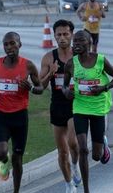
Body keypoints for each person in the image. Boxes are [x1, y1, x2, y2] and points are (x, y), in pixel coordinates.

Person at [62, 30, 113, 193]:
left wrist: (103, 87)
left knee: (96, 155)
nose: (76, 44)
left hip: (98, 108)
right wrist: (66, 91)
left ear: (89, 43)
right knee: (83, 149)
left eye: (81, 41)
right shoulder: (70, 64)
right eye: (75, 41)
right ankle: (87, 189)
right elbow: (65, 85)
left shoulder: (100, 60)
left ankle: (103, 144)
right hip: (80, 107)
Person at [0, 32, 44, 193]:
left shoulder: (28, 65)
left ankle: (16, 191)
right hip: (2, 116)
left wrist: (31, 88)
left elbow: (40, 89)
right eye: (6, 44)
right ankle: (4, 162)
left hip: (20, 118)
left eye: (12, 43)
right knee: (1, 151)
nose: (9, 47)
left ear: (20, 44)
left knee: (18, 159)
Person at [38, 19, 81, 193]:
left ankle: (76, 164)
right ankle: (68, 183)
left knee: (73, 143)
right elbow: (39, 84)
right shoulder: (49, 57)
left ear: (71, 35)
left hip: (75, 104)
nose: (62, 38)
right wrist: (51, 72)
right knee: (62, 151)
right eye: (59, 35)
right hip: (57, 106)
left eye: (66, 34)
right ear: (54, 36)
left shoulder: (79, 57)